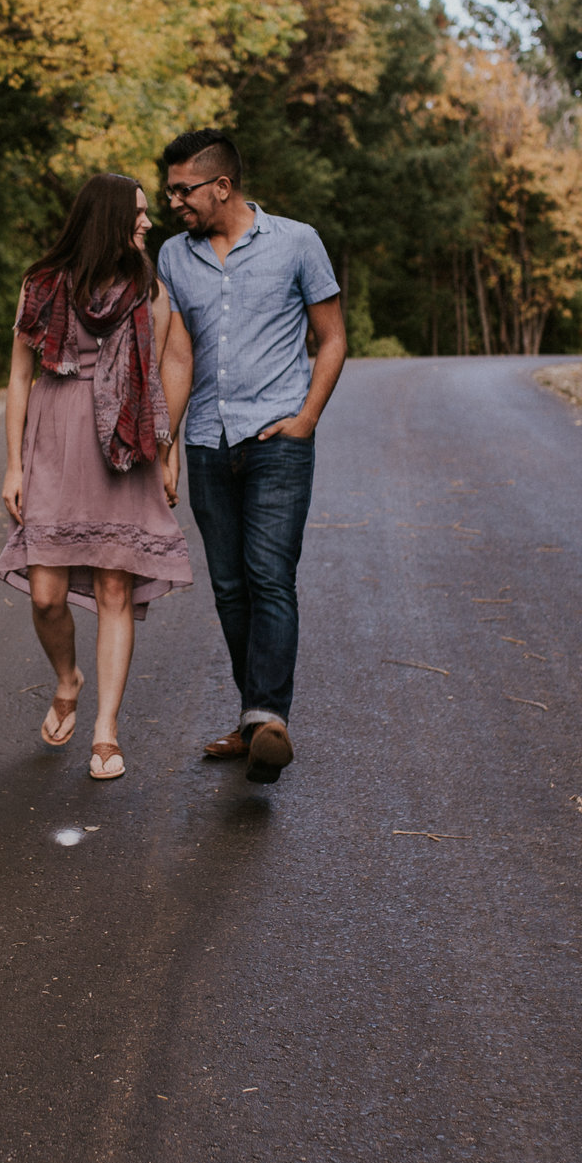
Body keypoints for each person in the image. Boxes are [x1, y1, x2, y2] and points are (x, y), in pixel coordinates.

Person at [154, 128, 345, 784]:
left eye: (184, 189)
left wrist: (306, 419)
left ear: (222, 185)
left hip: (277, 443)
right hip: (209, 440)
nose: (174, 201)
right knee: (231, 588)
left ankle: (270, 717)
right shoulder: (173, 258)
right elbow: (178, 354)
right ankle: (255, 717)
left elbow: (332, 337)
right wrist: (168, 444)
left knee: (269, 576)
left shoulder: (297, 241)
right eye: (169, 189)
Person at [0, 173, 194, 779]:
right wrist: (12, 466)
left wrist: (168, 449)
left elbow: (163, 370)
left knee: (114, 589)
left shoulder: (147, 288)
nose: (147, 222)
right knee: (47, 592)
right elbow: (19, 378)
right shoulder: (42, 285)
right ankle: (67, 678)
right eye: (136, 213)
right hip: (53, 444)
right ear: (107, 218)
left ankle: (106, 729)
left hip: (122, 447)